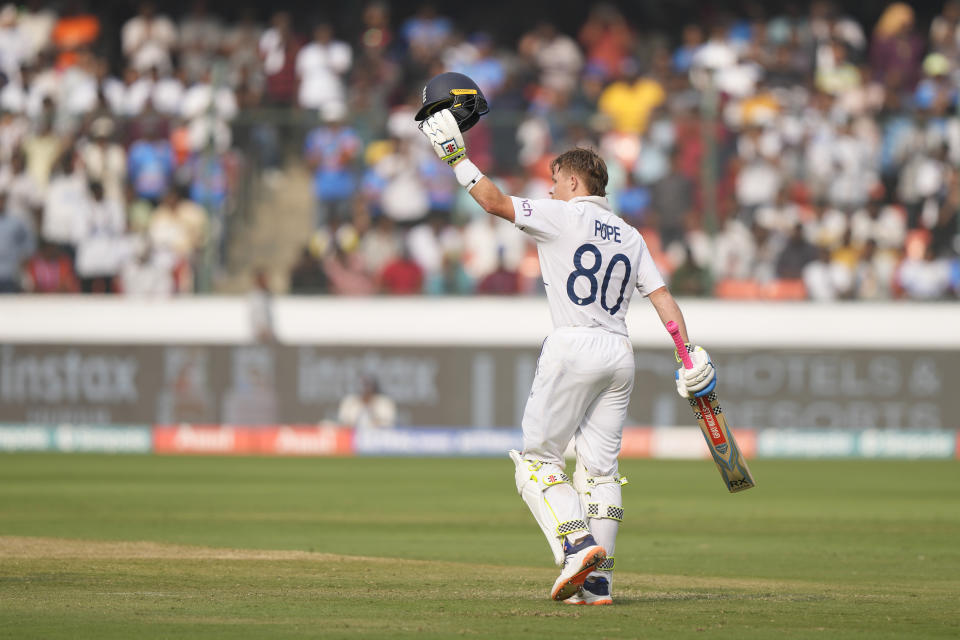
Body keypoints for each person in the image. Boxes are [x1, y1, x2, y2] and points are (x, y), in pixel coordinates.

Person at [418, 106, 716, 605]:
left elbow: (492, 202)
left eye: (555, 180)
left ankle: (576, 546)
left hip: (573, 342)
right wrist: (688, 358)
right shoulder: (631, 234)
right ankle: (600, 582)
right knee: (600, 472)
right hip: (619, 354)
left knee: (536, 462)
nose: (550, 188)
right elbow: (663, 300)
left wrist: (456, 158)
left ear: (575, 182)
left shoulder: (560, 213)